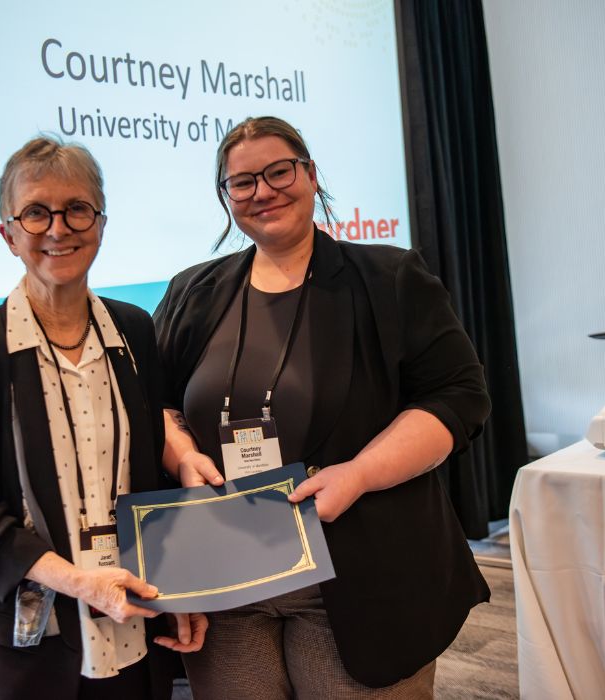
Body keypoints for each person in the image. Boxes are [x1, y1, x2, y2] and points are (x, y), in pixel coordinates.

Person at [154, 116, 491, 698]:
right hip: (228, 573)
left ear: (310, 175)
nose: (262, 190)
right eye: (242, 182)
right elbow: (151, 401)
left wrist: (360, 473)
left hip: (357, 572)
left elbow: (459, 397)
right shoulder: (195, 291)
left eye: (279, 171)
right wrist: (183, 453)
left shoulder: (388, 278)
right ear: (226, 197)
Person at [0, 136, 207, 700]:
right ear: (9, 235)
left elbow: (149, 481)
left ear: (101, 223)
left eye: (77, 208)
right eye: (36, 212)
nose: (59, 228)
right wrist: (82, 583)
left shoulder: (133, 331)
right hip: (25, 645)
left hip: (130, 624)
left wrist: (177, 589)